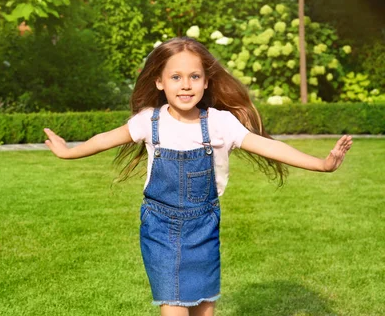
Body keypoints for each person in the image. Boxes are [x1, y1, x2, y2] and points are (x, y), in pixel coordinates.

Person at [43, 37, 352, 316]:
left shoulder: (220, 124)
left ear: (206, 83)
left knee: (204, 308)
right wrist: (67, 152)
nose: (186, 85)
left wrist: (322, 164)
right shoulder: (149, 122)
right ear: (160, 82)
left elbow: (270, 147)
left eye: (194, 77)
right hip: (159, 228)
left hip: (203, 228)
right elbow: (103, 139)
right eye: (176, 77)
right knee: (173, 308)